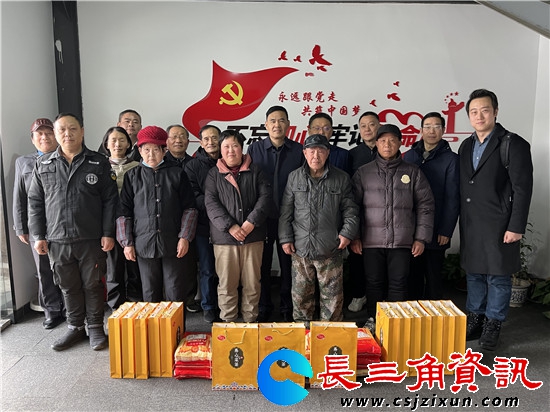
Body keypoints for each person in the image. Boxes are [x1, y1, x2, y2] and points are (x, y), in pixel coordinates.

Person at [28, 113, 118, 351]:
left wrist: (108, 233)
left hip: (91, 238)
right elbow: (35, 203)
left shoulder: (98, 162)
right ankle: (75, 327)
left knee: (92, 284)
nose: (67, 134)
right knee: (68, 286)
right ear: (56, 134)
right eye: (62, 130)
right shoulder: (43, 164)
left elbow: (110, 201)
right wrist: (38, 235)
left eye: (72, 129)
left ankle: (96, 327)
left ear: (82, 131)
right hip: (57, 238)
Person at [459, 89, 533, 351]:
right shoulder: (466, 145)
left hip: (500, 224)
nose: (479, 116)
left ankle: (493, 323)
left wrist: (516, 226)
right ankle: (475, 318)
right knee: (474, 274)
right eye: (474, 112)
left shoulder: (512, 143)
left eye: (485, 110)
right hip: (472, 223)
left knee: (498, 276)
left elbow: (522, 189)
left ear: (496, 111)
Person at [351, 124, 434, 334]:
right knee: (373, 283)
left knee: (399, 283)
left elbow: (425, 206)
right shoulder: (363, 173)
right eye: (382, 141)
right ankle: (374, 319)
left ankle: (395, 324)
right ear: (376, 144)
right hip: (371, 241)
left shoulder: (413, 172)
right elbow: (352, 207)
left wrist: (421, 238)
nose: (387, 145)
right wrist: (355, 236)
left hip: (402, 241)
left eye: (392, 140)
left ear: (400, 143)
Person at [279, 134, 359, 322]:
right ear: (305, 153)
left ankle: (329, 335)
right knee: (301, 300)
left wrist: (347, 234)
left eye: (320, 151)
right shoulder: (294, 177)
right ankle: (303, 333)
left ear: (328, 153)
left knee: (332, 302)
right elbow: (286, 212)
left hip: (330, 248)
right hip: (301, 249)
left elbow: (351, 211)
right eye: (312, 151)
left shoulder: (341, 178)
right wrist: (285, 238)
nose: (316, 156)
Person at [116, 126, 198, 305]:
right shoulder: (132, 176)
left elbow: (190, 209)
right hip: (144, 243)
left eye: (155, 149)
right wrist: (126, 242)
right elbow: (123, 212)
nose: (151, 154)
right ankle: (153, 325)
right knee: (149, 292)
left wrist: (185, 237)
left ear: (164, 150)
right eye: (146, 149)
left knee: (175, 291)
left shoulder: (177, 173)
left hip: (173, 242)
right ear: (140, 150)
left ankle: (175, 325)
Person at [204, 130, 271, 323]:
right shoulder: (213, 174)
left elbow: (265, 198)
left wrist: (251, 223)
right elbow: (211, 203)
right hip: (224, 239)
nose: (230, 150)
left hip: (253, 236)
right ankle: (228, 323)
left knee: (252, 283)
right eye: (226, 146)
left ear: (242, 148)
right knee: (226, 284)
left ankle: (250, 321)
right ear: (220, 150)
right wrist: (230, 226)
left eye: (235, 146)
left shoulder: (256, 171)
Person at [247, 105, 304, 322]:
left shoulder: (298, 150)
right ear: (266, 125)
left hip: (290, 218)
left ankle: (287, 307)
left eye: (281, 120)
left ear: (288, 124)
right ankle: (263, 306)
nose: (277, 125)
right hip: (262, 217)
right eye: (272, 120)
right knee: (261, 264)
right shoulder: (255, 149)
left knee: (289, 265)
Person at [12, 118, 64, 329]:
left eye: (49, 133)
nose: (45, 137)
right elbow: (19, 196)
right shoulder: (23, 162)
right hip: (36, 226)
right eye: (39, 134)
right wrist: (20, 227)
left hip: (61, 223)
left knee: (65, 268)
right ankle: (52, 310)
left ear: (57, 136)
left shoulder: (65, 157)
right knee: (44, 270)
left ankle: (70, 308)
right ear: (33, 139)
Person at [403, 112, 460, 299]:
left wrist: (446, 229)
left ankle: (432, 313)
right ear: (421, 130)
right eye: (427, 127)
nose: (432, 131)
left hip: (437, 228)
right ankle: (413, 312)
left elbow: (453, 197)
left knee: (434, 276)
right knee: (413, 275)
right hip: (411, 228)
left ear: (443, 130)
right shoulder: (409, 156)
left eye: (436, 127)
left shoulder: (451, 159)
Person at [184, 124, 222, 323]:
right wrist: (215, 206)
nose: (210, 142)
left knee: (226, 268)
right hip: (203, 224)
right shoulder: (192, 166)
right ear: (200, 142)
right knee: (207, 268)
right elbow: (192, 195)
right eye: (206, 139)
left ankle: (225, 304)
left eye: (214, 138)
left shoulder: (228, 159)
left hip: (227, 225)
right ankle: (208, 305)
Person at [100, 126, 140, 309]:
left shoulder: (137, 166)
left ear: (129, 143)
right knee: (113, 269)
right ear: (107, 144)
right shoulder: (100, 167)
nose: (118, 144)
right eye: (113, 140)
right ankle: (117, 307)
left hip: (134, 224)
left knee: (135, 268)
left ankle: (136, 305)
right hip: (110, 225)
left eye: (122, 140)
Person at [346, 111, 381, 313]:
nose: (368, 129)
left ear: (379, 126)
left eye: (372, 124)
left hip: (383, 217)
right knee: (357, 257)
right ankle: (359, 294)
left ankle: (378, 299)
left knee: (379, 261)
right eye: (363, 126)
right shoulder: (352, 154)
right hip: (359, 213)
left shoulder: (388, 150)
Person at [164, 123, 200, 313]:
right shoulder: (161, 163)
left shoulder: (194, 163)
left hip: (190, 219)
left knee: (189, 261)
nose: (178, 140)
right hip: (167, 221)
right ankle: (168, 300)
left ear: (188, 141)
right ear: (167, 141)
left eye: (182, 137)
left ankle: (189, 297)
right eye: (174, 137)